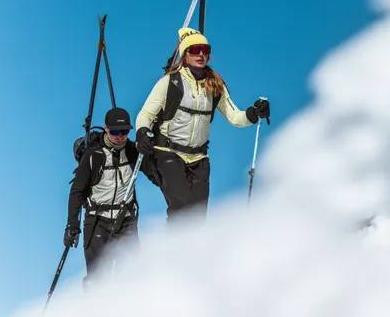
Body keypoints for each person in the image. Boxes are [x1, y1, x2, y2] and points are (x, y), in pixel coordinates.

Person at [135, 27, 270, 224]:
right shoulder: (170, 82)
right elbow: (146, 114)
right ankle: (172, 250)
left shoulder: (216, 85)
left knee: (197, 217)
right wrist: (142, 132)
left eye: (205, 50)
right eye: (195, 49)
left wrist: (254, 113)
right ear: (185, 54)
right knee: (181, 205)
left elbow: (235, 117)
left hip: (199, 158)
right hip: (168, 153)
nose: (201, 54)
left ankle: (192, 253)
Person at [63, 107, 141, 290]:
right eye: (115, 131)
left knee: (133, 274)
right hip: (98, 221)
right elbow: (77, 191)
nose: (120, 136)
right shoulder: (94, 155)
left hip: (126, 219)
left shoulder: (133, 152)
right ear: (106, 129)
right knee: (98, 278)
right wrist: (72, 225)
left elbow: (155, 173)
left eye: (125, 131)